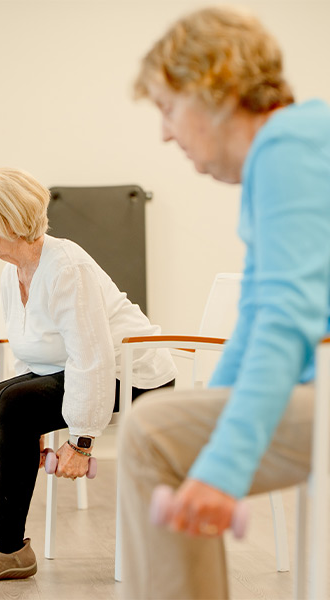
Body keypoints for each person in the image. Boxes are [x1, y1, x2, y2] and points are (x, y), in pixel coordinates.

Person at [118, 6, 330, 598]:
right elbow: (259, 318)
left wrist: (222, 467)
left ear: (215, 89)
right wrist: (212, 430)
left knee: (153, 432)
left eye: (167, 108)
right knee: (165, 427)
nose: (164, 132)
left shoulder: (288, 149)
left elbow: (286, 325)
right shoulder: (295, 147)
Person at [0, 167, 177, 582]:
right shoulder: (14, 270)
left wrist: (80, 442)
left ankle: (8, 549)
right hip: (81, 371)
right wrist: (35, 428)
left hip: (134, 376)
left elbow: (92, 357)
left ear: (10, 218)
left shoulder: (66, 267)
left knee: (13, 403)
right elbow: (28, 353)